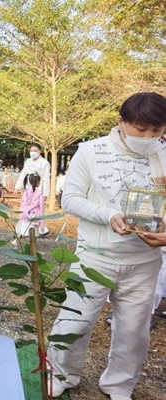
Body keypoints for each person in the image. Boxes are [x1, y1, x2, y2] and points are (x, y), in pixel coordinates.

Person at [48, 92, 166, 400]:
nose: (149, 137)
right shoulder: (91, 151)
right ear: (121, 122)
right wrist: (108, 214)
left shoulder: (164, 153)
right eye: (141, 129)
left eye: (157, 131)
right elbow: (71, 199)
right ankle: (61, 374)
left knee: (134, 330)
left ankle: (119, 385)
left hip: (145, 261)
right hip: (95, 255)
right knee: (76, 318)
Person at [15, 143, 50, 234]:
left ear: (40, 151)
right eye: (31, 151)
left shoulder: (45, 163)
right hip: (28, 189)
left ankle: (40, 229)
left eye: (35, 151)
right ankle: (24, 228)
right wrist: (18, 186)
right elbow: (23, 173)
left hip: (38, 190)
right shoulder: (28, 161)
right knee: (25, 208)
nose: (33, 153)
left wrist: (45, 194)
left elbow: (46, 179)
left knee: (36, 210)